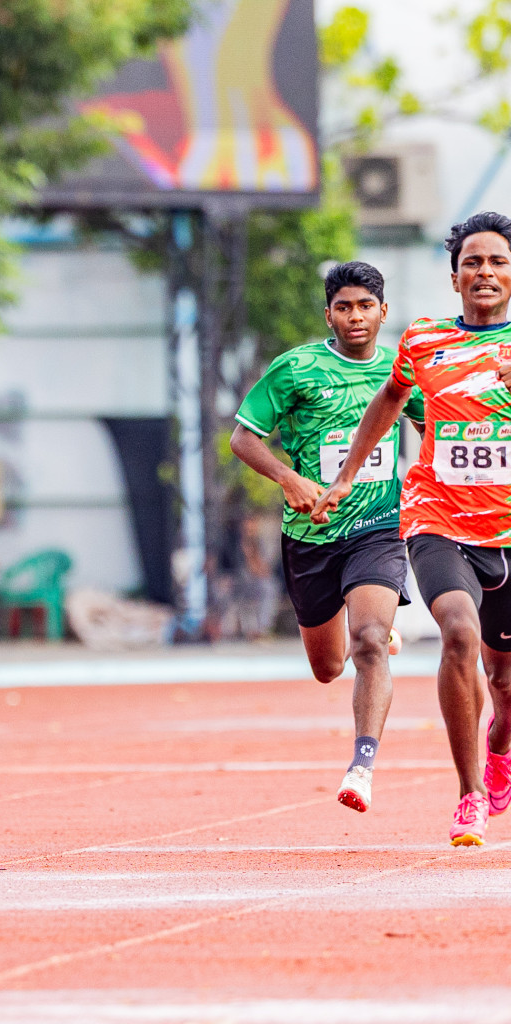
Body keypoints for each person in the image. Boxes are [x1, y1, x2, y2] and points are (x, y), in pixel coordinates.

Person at [313, 214, 511, 844]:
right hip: (439, 520)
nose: (485, 272)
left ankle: (499, 748)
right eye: (473, 263)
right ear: (454, 277)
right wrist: (345, 476)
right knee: (458, 632)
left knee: (505, 681)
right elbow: (390, 401)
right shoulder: (425, 341)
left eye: (498, 262)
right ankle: (470, 794)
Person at [232, 261, 422, 814]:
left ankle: (361, 766)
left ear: (384, 312)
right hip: (312, 536)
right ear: (329, 314)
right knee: (328, 668)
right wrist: (288, 479)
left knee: (367, 643)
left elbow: (437, 428)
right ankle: (372, 632)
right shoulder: (296, 370)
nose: (356, 316)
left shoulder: (399, 371)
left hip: (379, 528)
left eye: (366, 305)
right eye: (344, 306)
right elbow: (243, 439)